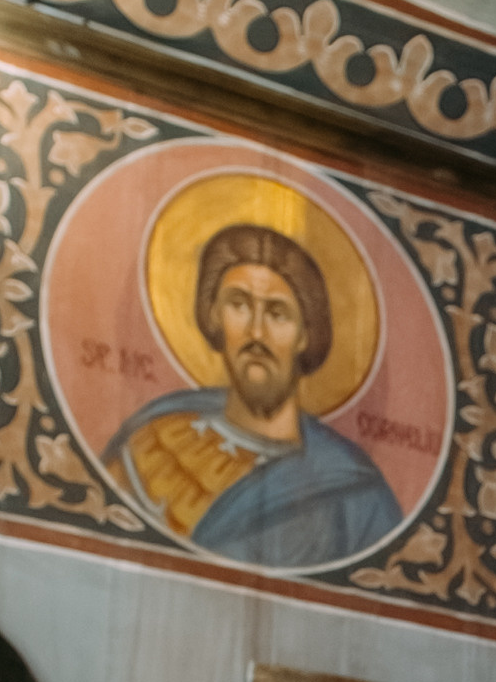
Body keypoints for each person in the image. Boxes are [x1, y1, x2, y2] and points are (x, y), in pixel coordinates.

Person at [108, 223, 401, 571]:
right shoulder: (151, 439)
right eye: (239, 305)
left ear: (306, 334)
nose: (256, 332)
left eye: (278, 313)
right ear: (214, 315)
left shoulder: (355, 496)